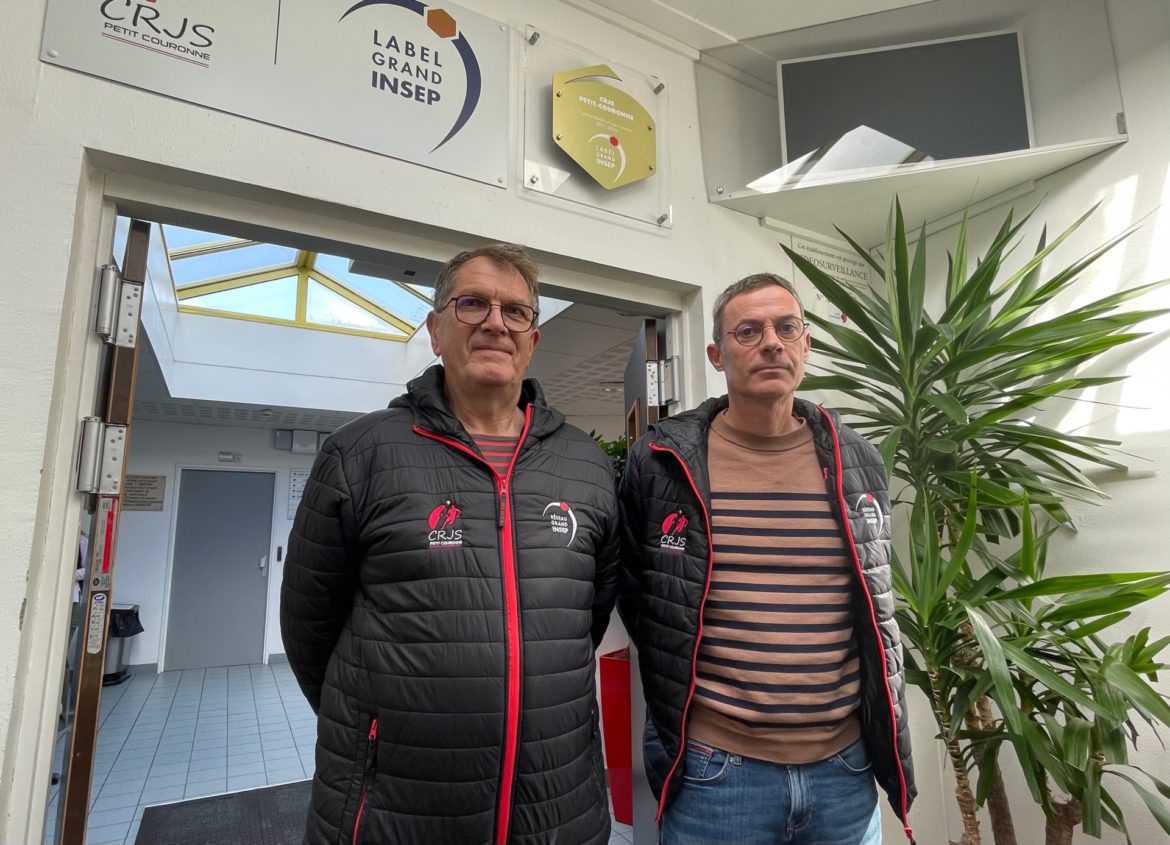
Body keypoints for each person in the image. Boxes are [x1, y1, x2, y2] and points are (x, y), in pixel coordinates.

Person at [281, 243, 619, 845]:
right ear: (436, 330)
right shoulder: (360, 454)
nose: (495, 323)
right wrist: (379, 728)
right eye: (473, 304)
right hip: (398, 808)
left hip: (558, 804)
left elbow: (584, 620)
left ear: (532, 340)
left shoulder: (585, 463)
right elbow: (309, 628)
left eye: (515, 311)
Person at [618, 273, 916, 845]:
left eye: (787, 328)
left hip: (844, 774)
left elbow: (874, 601)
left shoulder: (858, 460)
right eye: (749, 331)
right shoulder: (662, 462)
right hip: (716, 776)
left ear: (806, 344)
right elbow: (641, 597)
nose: (772, 343)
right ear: (717, 355)